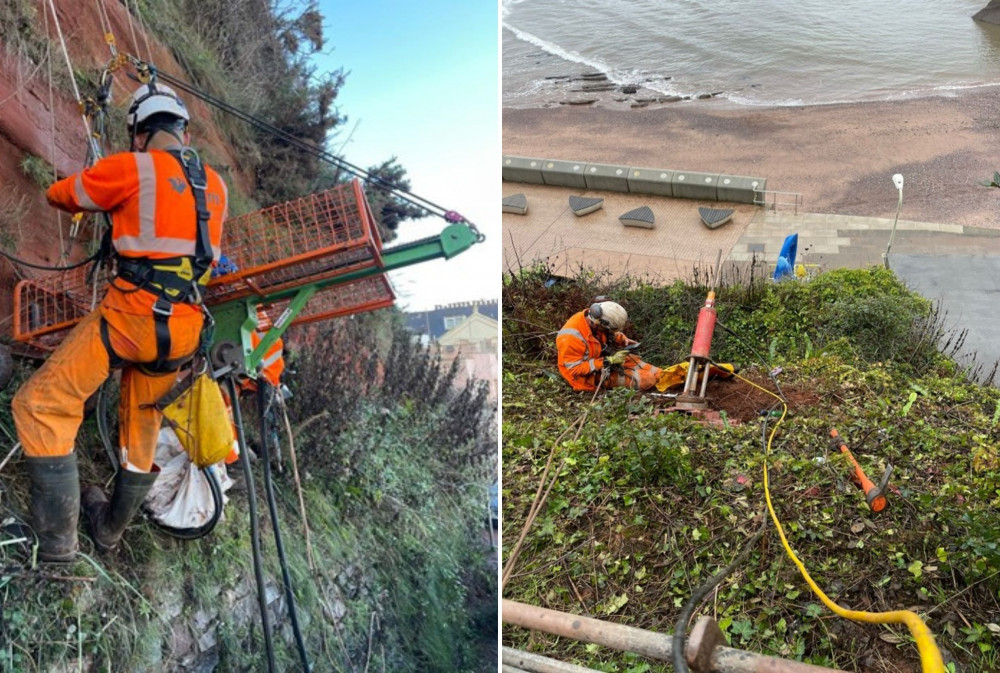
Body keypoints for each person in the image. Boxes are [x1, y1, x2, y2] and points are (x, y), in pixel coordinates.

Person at [12, 82, 228, 560]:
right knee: (142, 424)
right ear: (184, 133)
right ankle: (108, 533)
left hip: (131, 320)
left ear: (137, 134)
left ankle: (57, 549)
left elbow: (63, 195)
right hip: (184, 332)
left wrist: (96, 183)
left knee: (42, 405)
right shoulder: (216, 185)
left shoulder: (131, 167)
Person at [556, 301, 661, 391]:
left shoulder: (597, 318)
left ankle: (666, 376)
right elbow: (575, 369)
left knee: (657, 372)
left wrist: (621, 339)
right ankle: (651, 379)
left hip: (601, 361)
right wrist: (607, 361)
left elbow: (607, 333)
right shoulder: (570, 337)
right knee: (648, 379)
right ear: (599, 324)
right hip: (587, 377)